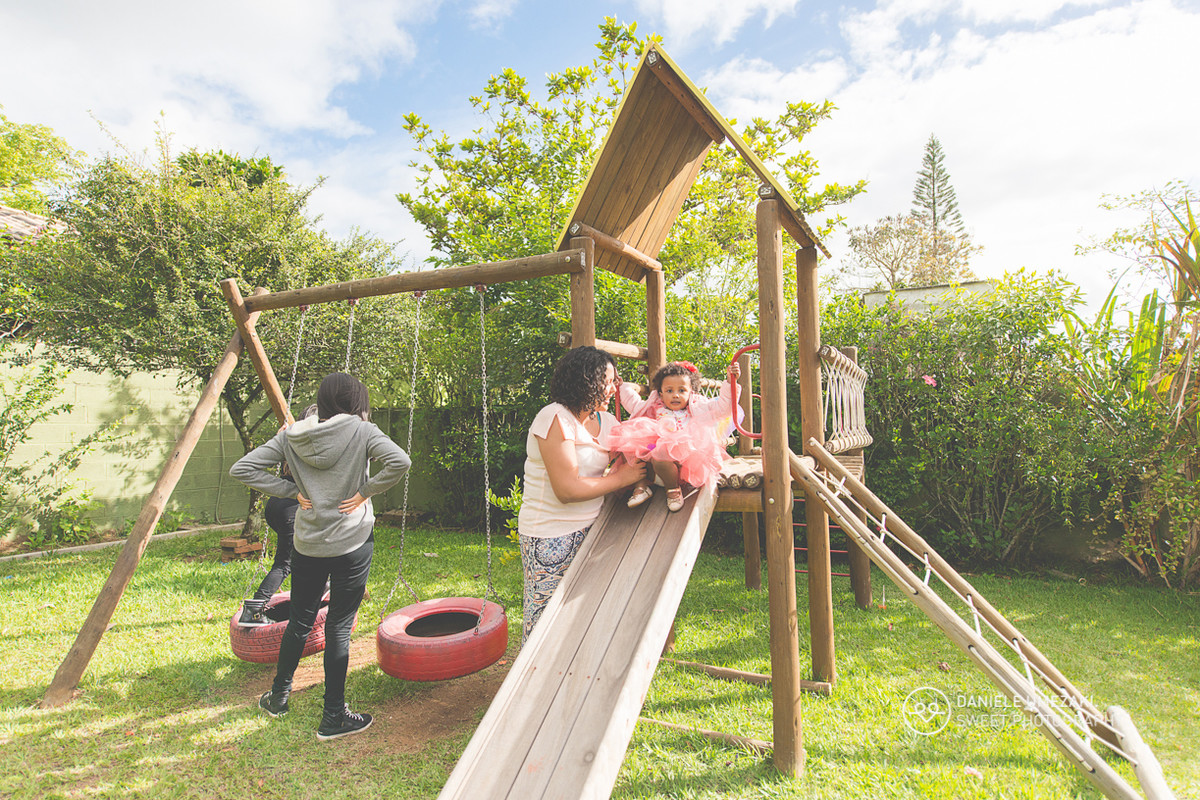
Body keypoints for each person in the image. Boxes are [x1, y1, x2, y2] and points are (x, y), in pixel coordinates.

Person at [230, 373, 410, 741]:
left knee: (299, 621)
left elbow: (242, 468)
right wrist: (364, 492)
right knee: (339, 627)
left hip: (308, 543)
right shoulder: (363, 431)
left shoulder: (292, 434)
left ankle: (278, 697)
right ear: (357, 402)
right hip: (352, 542)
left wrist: (289, 490)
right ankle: (333, 718)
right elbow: (400, 462)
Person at [516, 346, 646, 644]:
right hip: (549, 535)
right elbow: (567, 489)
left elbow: (638, 452)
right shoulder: (554, 418)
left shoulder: (607, 423)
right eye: (609, 380)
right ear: (587, 380)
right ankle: (534, 688)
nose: (615, 388)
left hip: (594, 530)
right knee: (545, 622)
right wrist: (623, 477)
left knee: (581, 618)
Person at [606, 360, 740, 512]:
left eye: (682, 390)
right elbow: (633, 402)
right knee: (633, 443)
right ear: (661, 394)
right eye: (669, 391)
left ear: (691, 393)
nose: (675, 395)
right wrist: (621, 386)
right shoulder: (654, 406)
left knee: (660, 453)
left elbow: (723, 408)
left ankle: (673, 490)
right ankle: (641, 486)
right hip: (654, 451)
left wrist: (730, 382)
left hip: (682, 460)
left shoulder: (697, 408)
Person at [237, 405, 317, 628]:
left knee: (311, 550)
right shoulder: (314, 445)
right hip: (293, 508)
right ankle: (254, 609)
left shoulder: (290, 437)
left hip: (276, 506)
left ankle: (324, 584)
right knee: (285, 563)